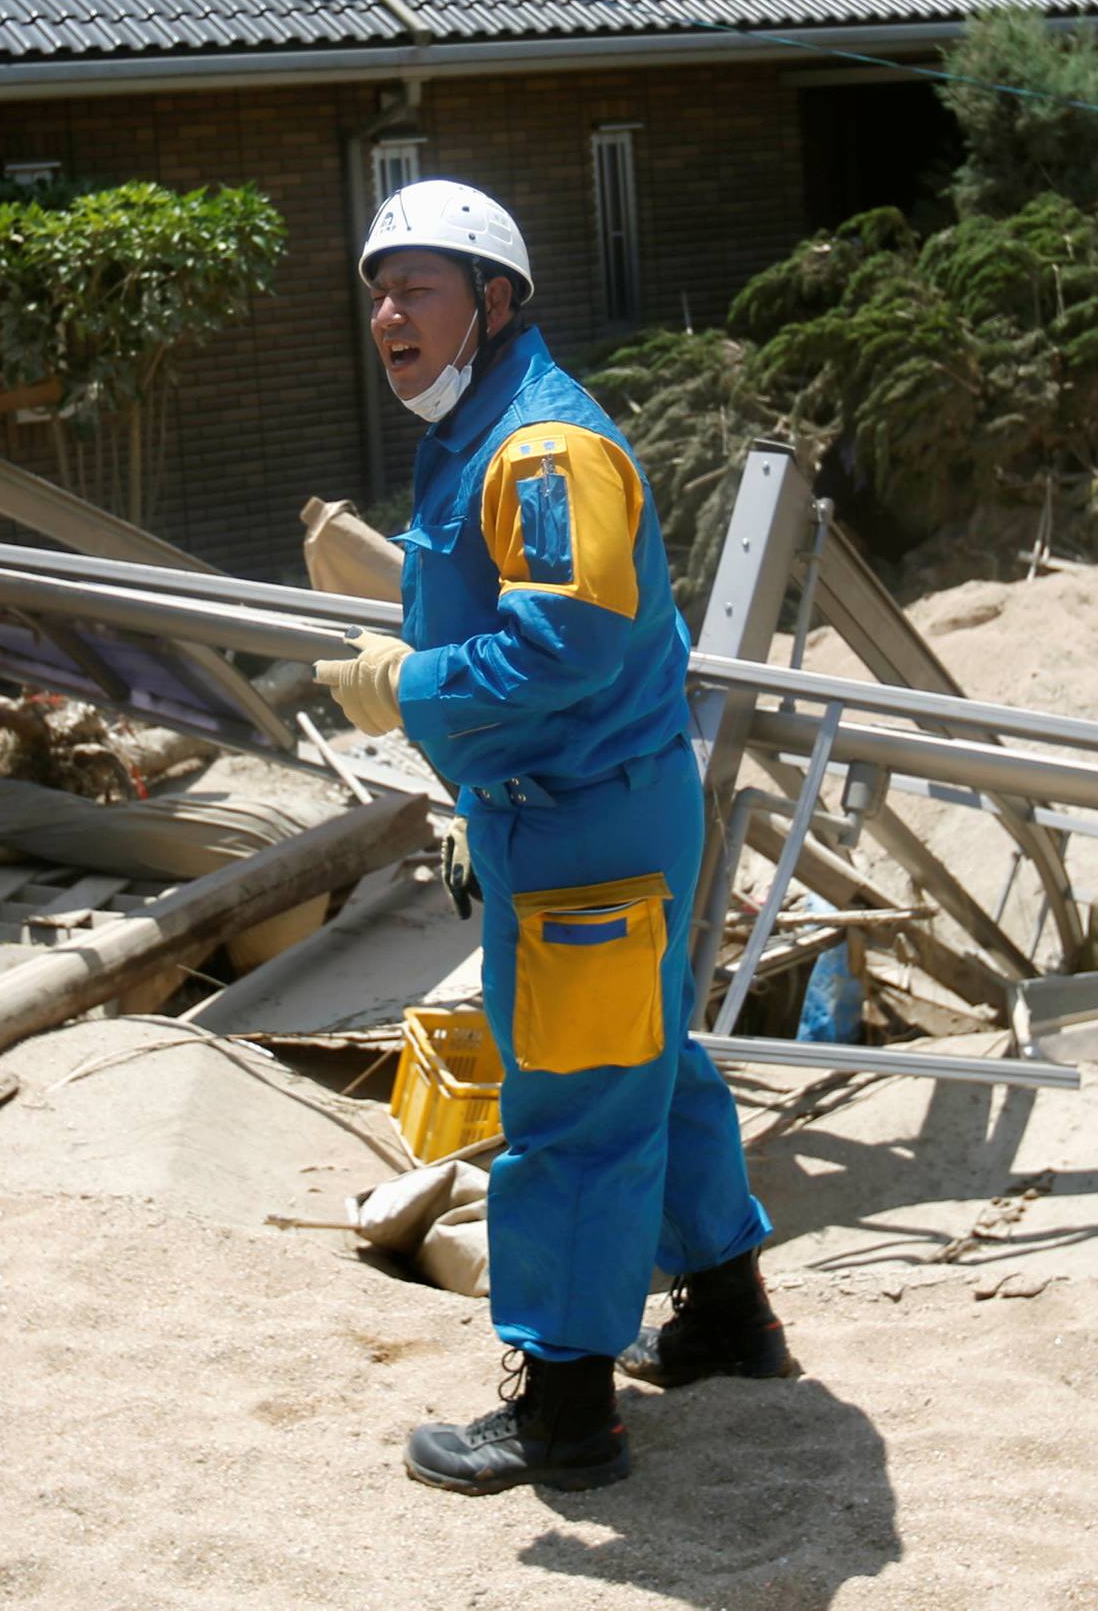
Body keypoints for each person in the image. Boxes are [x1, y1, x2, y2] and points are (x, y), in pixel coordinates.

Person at [316, 180, 793, 1497]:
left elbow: (563, 641)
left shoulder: (538, 447)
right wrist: (476, 786)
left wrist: (400, 689)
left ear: (497, 299)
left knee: (574, 1105)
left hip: (589, 813)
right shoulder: (483, 429)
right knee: (648, 1054)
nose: (388, 311)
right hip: (572, 806)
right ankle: (729, 1316)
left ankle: (568, 1411)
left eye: (418, 285)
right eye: (379, 288)